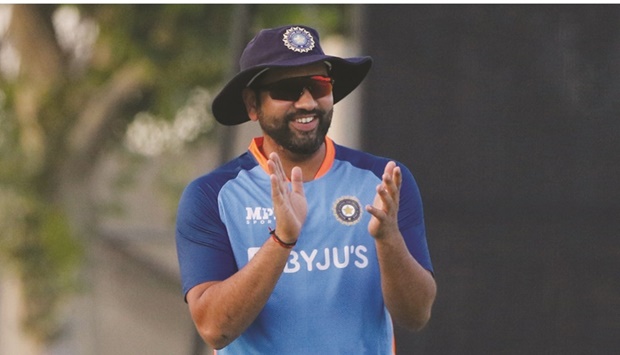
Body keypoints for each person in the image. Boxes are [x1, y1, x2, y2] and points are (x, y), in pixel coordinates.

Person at [175, 25, 436, 354]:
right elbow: (214, 328)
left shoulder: (383, 180)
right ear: (252, 104)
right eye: (287, 90)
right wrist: (282, 240)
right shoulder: (212, 195)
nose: (307, 102)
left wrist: (388, 241)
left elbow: (416, 315)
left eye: (318, 85)